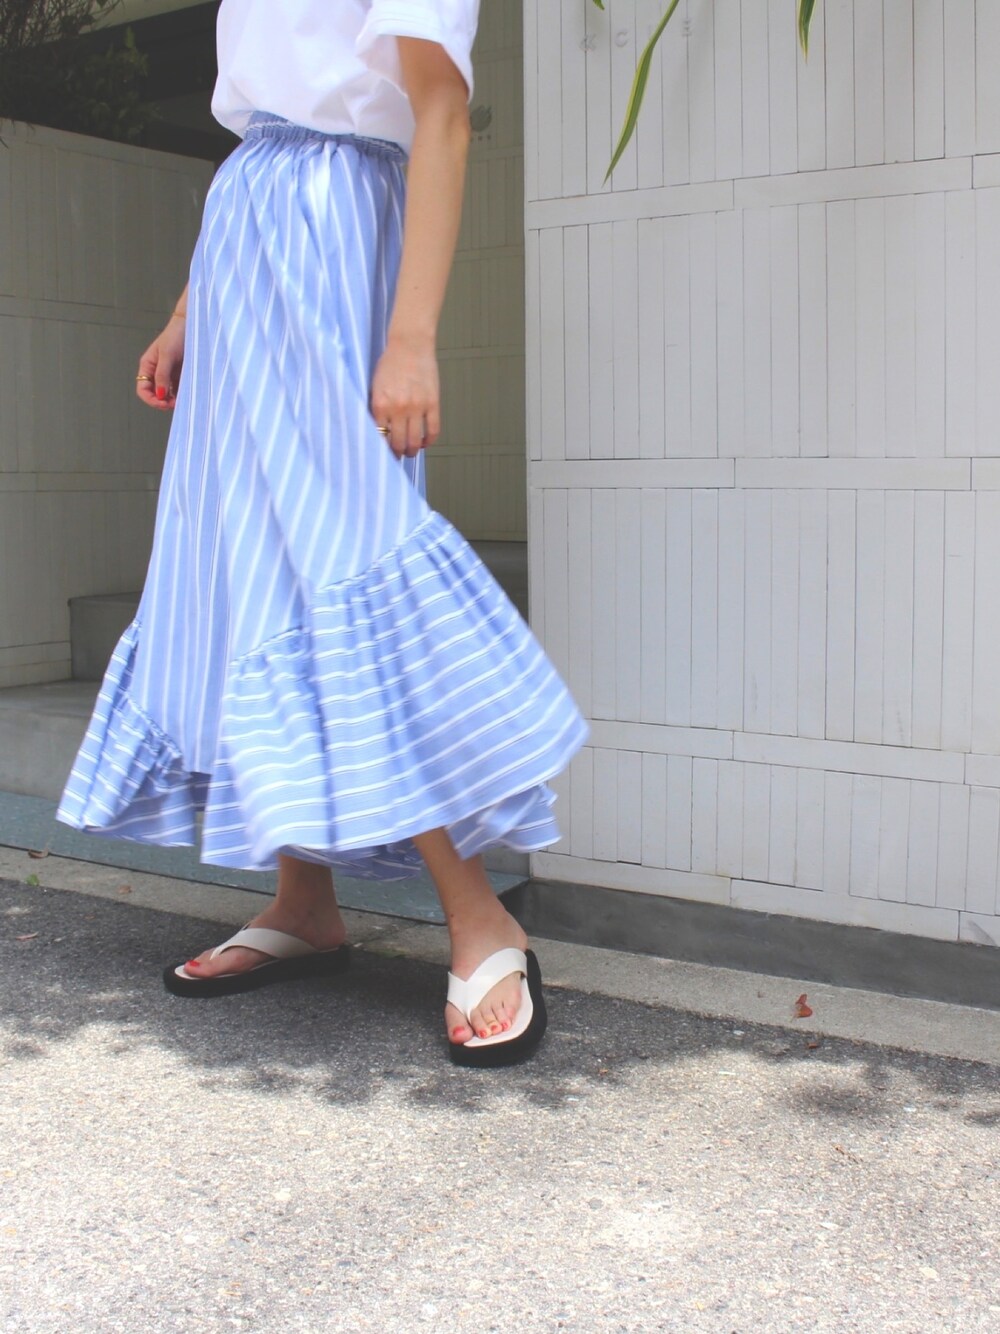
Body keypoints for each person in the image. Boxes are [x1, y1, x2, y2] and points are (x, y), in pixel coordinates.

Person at [57, 0, 587, 1068]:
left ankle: (479, 914)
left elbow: (441, 114)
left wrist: (412, 337)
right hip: (249, 228)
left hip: (335, 233)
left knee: (345, 556)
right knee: (249, 566)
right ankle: (303, 901)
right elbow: (265, 127)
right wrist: (189, 308)